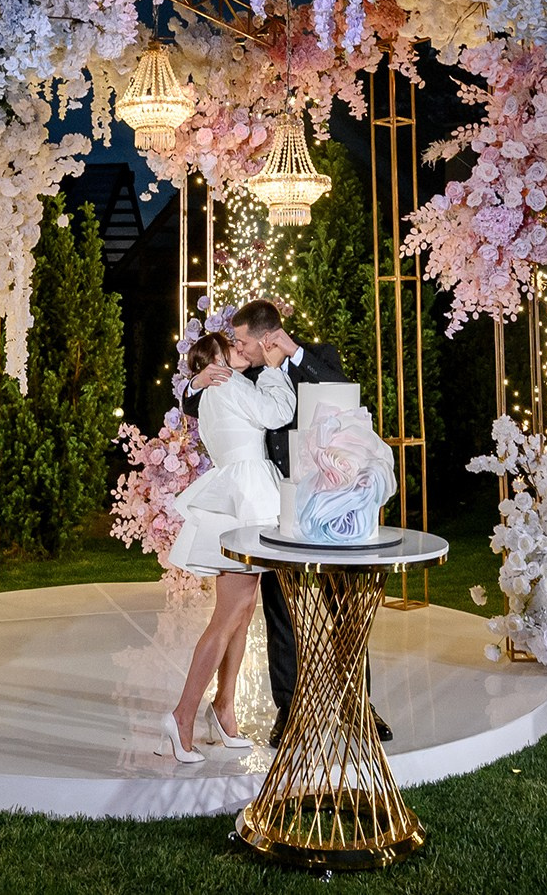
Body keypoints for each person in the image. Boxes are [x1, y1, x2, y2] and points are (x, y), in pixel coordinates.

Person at [191, 299, 391, 745]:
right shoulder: (245, 376)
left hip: (333, 504)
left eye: (241, 340)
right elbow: (196, 405)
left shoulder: (320, 358)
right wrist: (196, 380)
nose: (236, 347)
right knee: (281, 612)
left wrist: (296, 353)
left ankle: (358, 704)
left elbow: (347, 392)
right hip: (278, 507)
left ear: (266, 338)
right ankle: (290, 708)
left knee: (345, 605)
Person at [158, 330, 293, 763]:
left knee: (243, 610)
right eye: (231, 349)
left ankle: (223, 708)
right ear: (214, 362)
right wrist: (273, 371)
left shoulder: (219, 389)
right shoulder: (228, 384)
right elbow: (277, 412)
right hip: (246, 499)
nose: (241, 352)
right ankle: (182, 716)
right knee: (228, 616)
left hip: (246, 494)